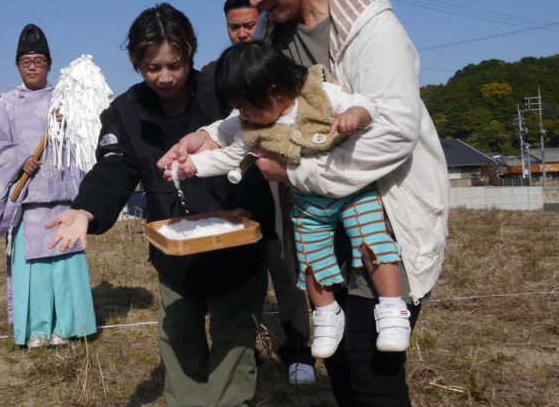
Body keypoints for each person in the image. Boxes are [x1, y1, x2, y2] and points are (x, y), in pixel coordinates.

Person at [160, 0, 449, 407]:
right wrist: (206, 139)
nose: (252, 0)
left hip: (381, 215)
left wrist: (295, 174)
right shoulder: (279, 31)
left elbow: (393, 134)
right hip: (318, 222)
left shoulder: (370, 29)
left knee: (375, 371)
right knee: (338, 356)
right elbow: (262, 111)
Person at [46, 4, 275, 407]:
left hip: (234, 233)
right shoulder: (125, 112)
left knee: (233, 333)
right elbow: (113, 168)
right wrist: (86, 210)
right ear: (136, 62)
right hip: (175, 246)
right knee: (178, 332)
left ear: (191, 55)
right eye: (153, 67)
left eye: (176, 65)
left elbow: (263, 133)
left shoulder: (224, 92)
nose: (166, 77)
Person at [171, 40, 412, 358]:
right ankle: (326, 315)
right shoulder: (253, 127)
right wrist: (193, 166)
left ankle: (393, 309)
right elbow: (229, 157)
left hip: (353, 190)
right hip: (308, 202)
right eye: (238, 109)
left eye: (246, 107)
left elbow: (366, 104)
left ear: (275, 91)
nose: (242, 115)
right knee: (311, 260)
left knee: (372, 241)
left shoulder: (318, 94)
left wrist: (355, 115)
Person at [201, 0, 317, 385]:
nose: (241, 33)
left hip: (281, 189)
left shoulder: (282, 70)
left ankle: (298, 351)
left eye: (249, 25)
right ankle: (243, 350)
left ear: (263, 22)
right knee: (239, 276)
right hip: (236, 192)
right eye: (233, 27)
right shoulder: (215, 74)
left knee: (287, 271)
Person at [0, 24, 97, 348]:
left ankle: (68, 327)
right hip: (28, 203)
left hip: (64, 199)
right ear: (17, 66)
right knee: (36, 273)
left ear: (49, 65)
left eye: (39, 61)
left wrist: (71, 121)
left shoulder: (65, 101)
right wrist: (20, 159)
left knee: (65, 265)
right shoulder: (5, 105)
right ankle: (36, 331)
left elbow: (87, 133)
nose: (32, 67)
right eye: (26, 61)